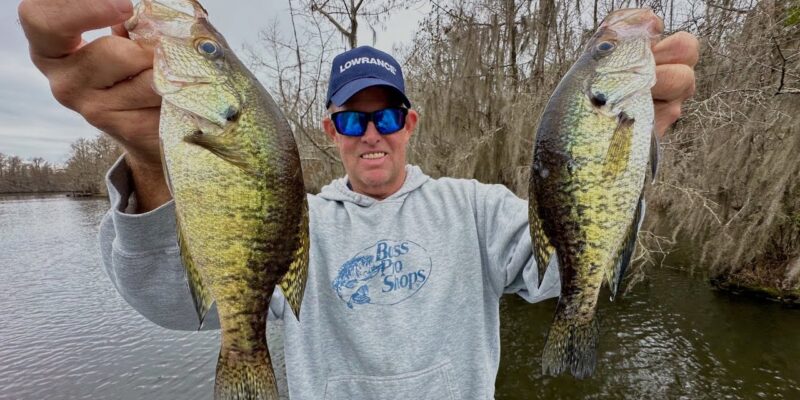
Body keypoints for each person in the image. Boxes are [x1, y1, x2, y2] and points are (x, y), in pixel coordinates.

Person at [18, 0, 699, 398]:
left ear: (411, 121)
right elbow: (174, 305)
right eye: (350, 118)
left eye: (386, 115)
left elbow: (559, 270)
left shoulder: (477, 209)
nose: (370, 133)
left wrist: (626, 160)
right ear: (330, 130)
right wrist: (151, 160)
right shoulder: (296, 219)